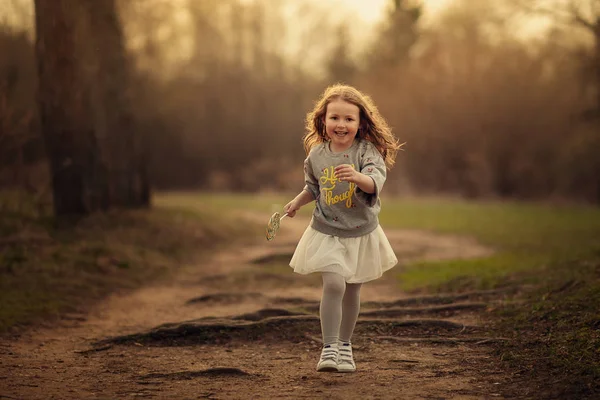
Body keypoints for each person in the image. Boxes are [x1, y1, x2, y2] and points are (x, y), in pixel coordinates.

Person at [284, 83, 402, 373]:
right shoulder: (316, 155)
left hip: (360, 231)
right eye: (334, 117)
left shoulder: (367, 151)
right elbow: (314, 187)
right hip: (326, 230)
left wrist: (357, 177)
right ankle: (329, 347)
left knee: (352, 290)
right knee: (334, 284)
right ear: (323, 120)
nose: (341, 124)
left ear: (360, 123)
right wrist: (297, 202)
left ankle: (346, 347)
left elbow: (375, 182)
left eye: (349, 119)